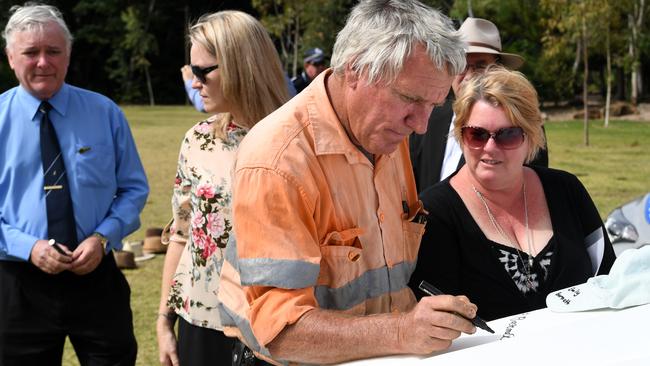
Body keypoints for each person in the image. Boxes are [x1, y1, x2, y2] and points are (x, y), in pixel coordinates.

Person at [217, 1, 479, 365]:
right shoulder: (277, 160)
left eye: (433, 105)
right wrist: (402, 331)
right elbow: (280, 333)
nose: (420, 125)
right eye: (410, 99)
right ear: (355, 70)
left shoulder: (384, 131)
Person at [0, 4, 149, 365]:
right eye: (30, 52)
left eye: (53, 51)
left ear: (68, 55)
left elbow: (133, 189)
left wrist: (102, 238)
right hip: (18, 284)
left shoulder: (105, 113)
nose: (42, 62)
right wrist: (28, 247)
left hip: (97, 277)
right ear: (10, 57)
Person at [408, 66, 616, 321]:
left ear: (530, 137)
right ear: (461, 137)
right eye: (477, 134)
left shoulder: (566, 190)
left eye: (508, 135)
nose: (490, 147)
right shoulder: (434, 213)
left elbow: (611, 281)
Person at [156, 11, 290, 366]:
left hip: (276, 324)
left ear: (241, 65)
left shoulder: (296, 139)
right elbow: (182, 236)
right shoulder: (197, 140)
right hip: (200, 322)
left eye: (202, 71)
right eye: (191, 71)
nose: (194, 82)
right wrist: (163, 321)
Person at [409, 17, 549, 192]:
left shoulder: (522, 130)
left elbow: (531, 192)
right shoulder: (428, 118)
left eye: (480, 66)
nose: (468, 76)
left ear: (498, 70)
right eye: (462, 65)